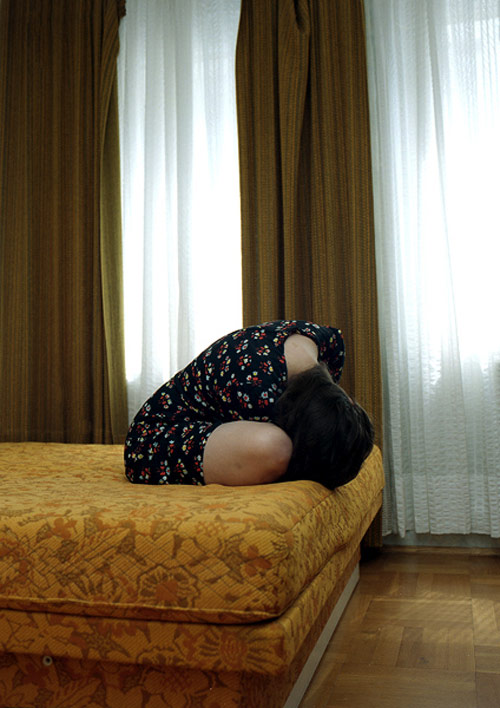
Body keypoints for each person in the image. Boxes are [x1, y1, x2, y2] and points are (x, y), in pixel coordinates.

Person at [124, 320, 374, 489]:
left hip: (219, 420)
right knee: (276, 448)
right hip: (153, 440)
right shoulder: (257, 390)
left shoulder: (327, 346)